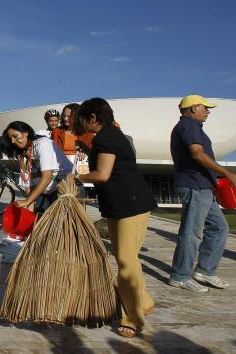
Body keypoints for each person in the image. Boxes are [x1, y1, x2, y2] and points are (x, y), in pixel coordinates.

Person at [75, 98, 157, 338]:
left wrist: (77, 179)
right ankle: (144, 302)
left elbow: (102, 174)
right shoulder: (106, 137)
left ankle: (133, 318)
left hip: (130, 205)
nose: (80, 123)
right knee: (128, 259)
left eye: (82, 118)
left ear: (93, 118)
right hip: (119, 205)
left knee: (125, 261)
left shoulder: (108, 137)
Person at [168, 95, 236, 293]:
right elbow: (197, 154)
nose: (208, 111)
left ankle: (205, 271)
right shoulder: (189, 125)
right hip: (194, 186)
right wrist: (227, 173)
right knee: (192, 233)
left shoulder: (192, 126)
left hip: (203, 187)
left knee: (219, 228)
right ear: (192, 108)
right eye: (205, 108)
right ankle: (180, 276)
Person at [2, 121, 72, 215]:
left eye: (15, 136)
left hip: (66, 190)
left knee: (64, 226)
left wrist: (27, 201)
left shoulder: (43, 144)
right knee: (39, 223)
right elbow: (29, 187)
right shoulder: (23, 157)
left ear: (25, 133)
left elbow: (47, 177)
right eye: (11, 139)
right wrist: (28, 213)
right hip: (46, 192)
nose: (13, 141)